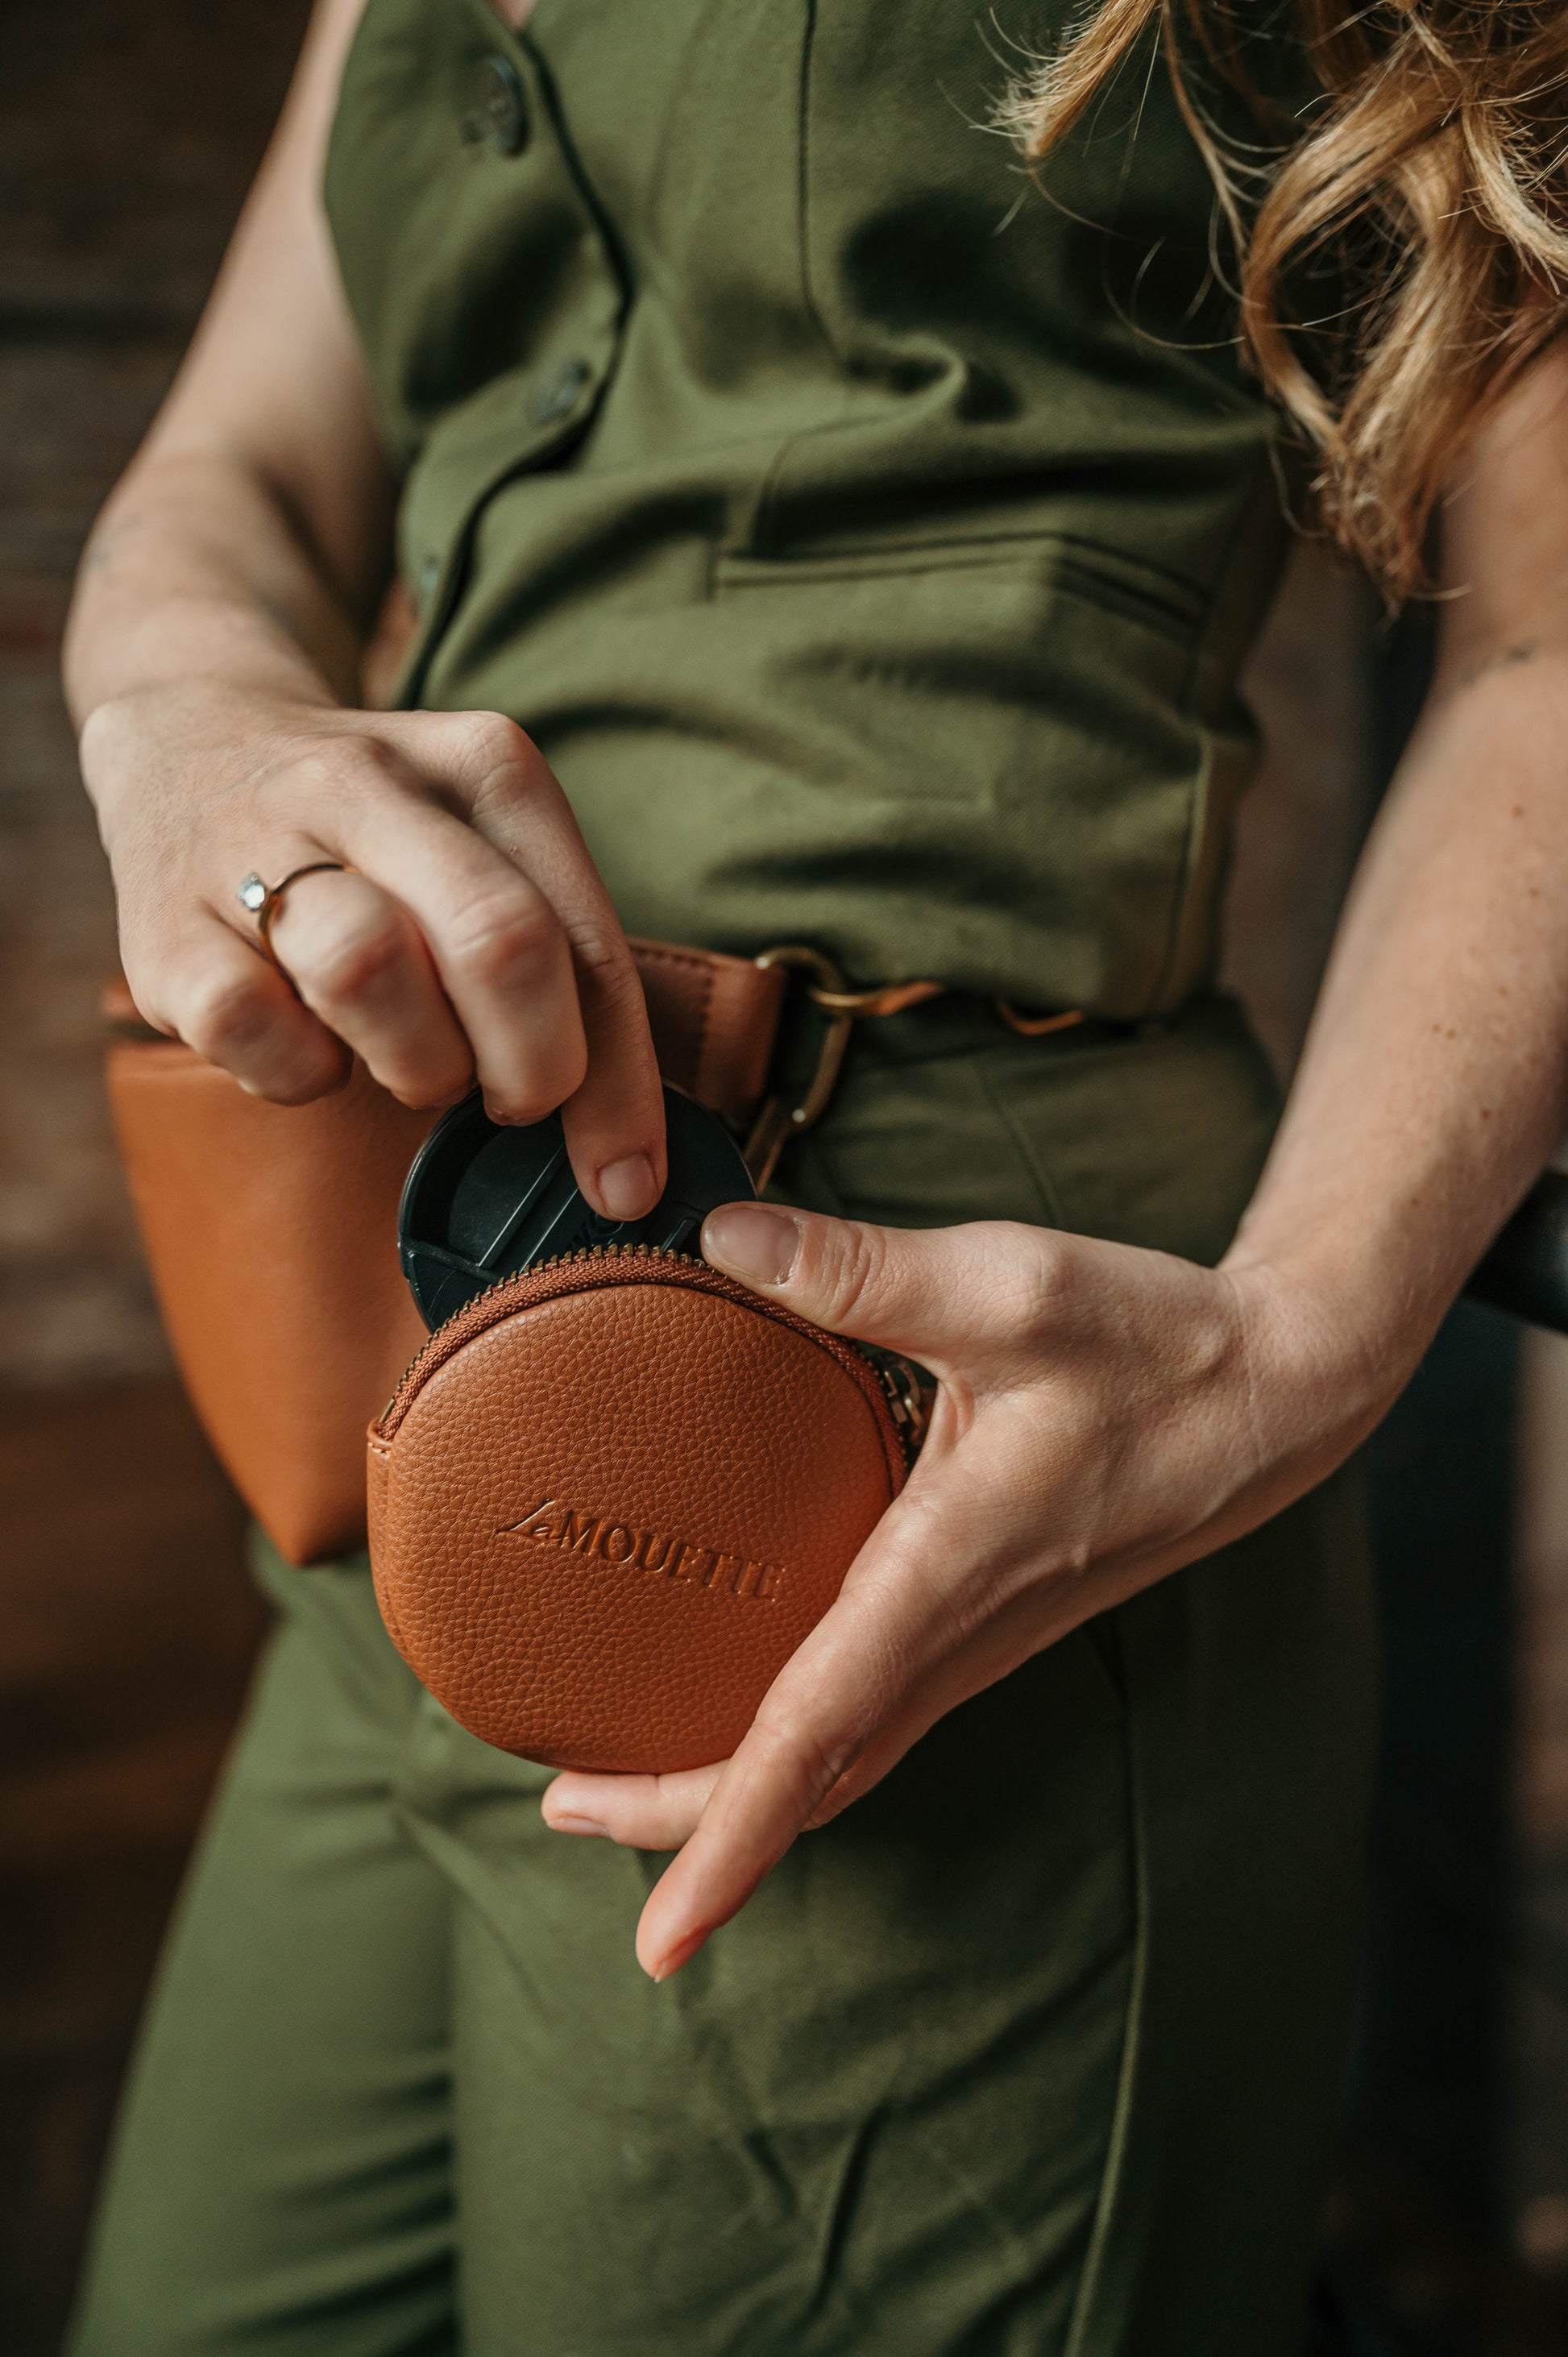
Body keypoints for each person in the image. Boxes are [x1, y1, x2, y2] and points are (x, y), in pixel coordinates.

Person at [61, 1, 1568, 2350]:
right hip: (406, 1357)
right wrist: (175, 703)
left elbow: (1549, 640)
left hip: (926, 1442)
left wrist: (1301, 1337)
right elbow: (243, 463)